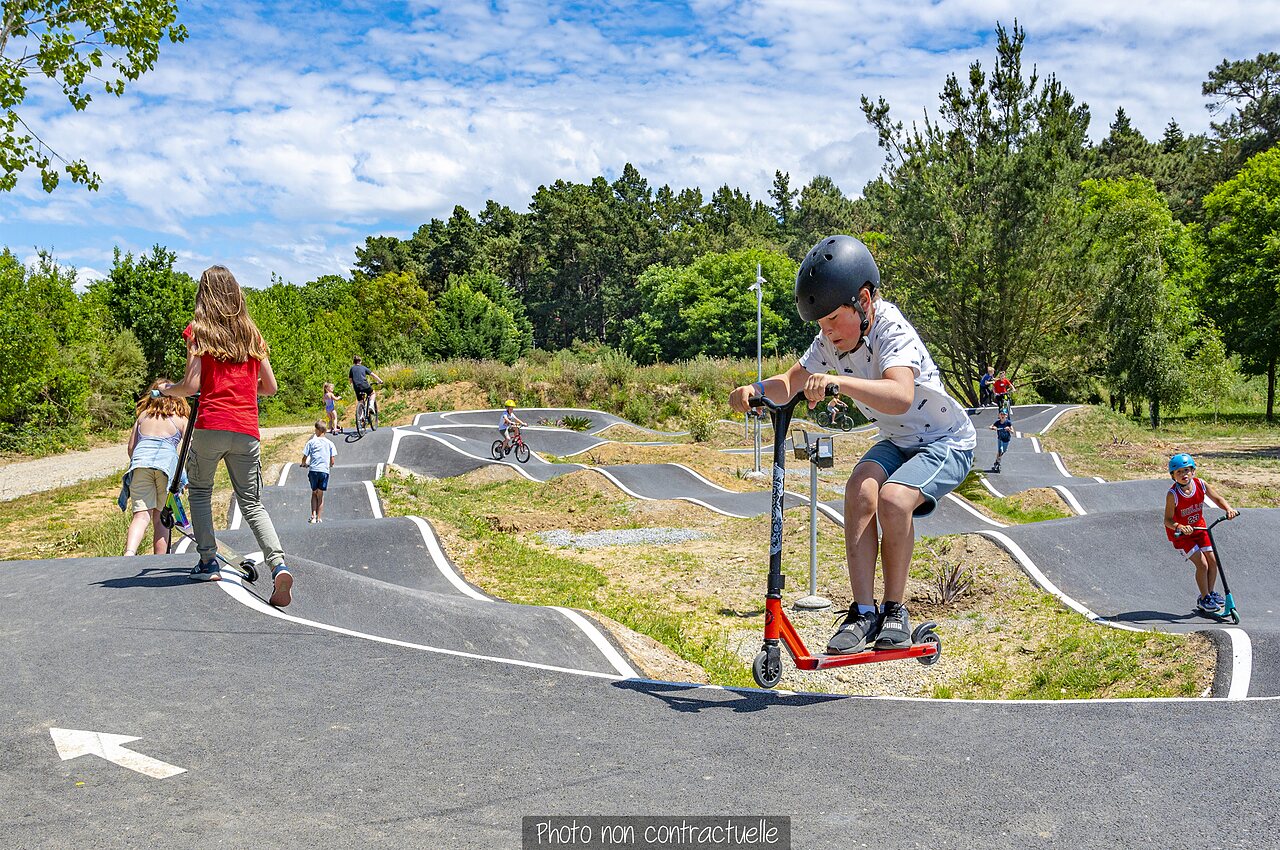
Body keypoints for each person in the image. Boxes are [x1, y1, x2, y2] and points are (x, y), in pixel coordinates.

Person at [729, 235, 976, 654]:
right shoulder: (830, 341)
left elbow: (899, 394)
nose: (826, 332)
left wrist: (839, 382)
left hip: (945, 440)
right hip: (898, 439)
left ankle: (895, 609)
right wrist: (752, 388)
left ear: (863, 301)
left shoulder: (891, 330)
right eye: (820, 325)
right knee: (859, 489)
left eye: (832, 320)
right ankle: (864, 612)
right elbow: (791, 382)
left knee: (894, 501)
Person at [158, 265, 294, 608]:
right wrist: (245, 389)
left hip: (211, 425)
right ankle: (278, 566)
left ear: (204, 294)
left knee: (202, 491)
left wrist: (166, 389)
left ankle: (207, 561)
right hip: (246, 429)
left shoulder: (199, 332)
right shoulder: (252, 335)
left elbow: (191, 386)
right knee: (251, 502)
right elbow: (272, 388)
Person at [1164, 453, 1239, 615]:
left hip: (1200, 529)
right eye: (1179, 472)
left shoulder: (1201, 484)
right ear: (1173, 476)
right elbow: (1167, 520)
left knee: (1213, 561)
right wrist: (1180, 526)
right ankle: (1203, 598)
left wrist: (1228, 509)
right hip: (1182, 536)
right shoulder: (1173, 495)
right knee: (1202, 564)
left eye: (1186, 470)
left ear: (1193, 471)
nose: (1184, 474)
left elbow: (1217, 498)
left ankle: (1210, 593)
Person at [122, 379, 190, 556]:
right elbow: (187, 451)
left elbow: (131, 448)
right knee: (161, 518)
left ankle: (129, 554)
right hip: (165, 470)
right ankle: (159, 559)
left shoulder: (143, 417)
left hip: (140, 466)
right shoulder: (180, 419)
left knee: (141, 516)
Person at [301, 420, 337, 523]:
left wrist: (304, 464)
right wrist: (330, 465)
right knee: (320, 494)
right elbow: (332, 460)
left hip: (314, 471)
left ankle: (313, 516)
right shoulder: (330, 443)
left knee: (314, 493)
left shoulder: (311, 442)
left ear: (317, 430)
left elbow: (305, 457)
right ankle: (319, 517)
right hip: (324, 471)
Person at [347, 356, 383, 428]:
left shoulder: (352, 369)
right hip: (364, 385)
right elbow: (372, 374)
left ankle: (361, 417)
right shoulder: (363, 367)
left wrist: (353, 383)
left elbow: (350, 380)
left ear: (354, 362)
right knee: (372, 393)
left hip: (357, 387)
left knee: (360, 401)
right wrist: (380, 380)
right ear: (360, 361)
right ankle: (371, 405)